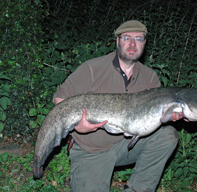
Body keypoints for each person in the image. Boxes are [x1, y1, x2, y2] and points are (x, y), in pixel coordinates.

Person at [53, 20, 182, 192]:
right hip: (91, 150)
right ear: (117, 41)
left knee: (167, 135)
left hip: (127, 146)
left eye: (138, 39)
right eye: (127, 38)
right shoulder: (93, 68)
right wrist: (78, 125)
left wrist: (168, 116)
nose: (132, 44)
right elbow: (60, 98)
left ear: (144, 43)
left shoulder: (150, 77)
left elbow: (155, 117)